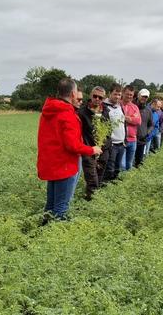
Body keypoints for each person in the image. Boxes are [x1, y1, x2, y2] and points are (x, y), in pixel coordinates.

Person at [37, 78, 102, 221]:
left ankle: (42, 233)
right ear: (73, 93)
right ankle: (54, 239)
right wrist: (92, 150)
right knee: (61, 207)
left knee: (50, 205)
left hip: (51, 164)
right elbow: (72, 145)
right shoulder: (67, 114)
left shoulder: (48, 111)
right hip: (65, 166)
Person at [77, 86, 108, 201]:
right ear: (90, 96)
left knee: (99, 177)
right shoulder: (82, 112)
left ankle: (93, 200)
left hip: (102, 150)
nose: (97, 99)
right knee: (92, 181)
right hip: (88, 150)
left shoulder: (105, 111)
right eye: (95, 96)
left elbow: (108, 131)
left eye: (100, 97)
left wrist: (105, 148)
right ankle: (90, 204)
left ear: (103, 99)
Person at [102, 84, 126, 182]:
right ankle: (105, 189)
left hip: (121, 143)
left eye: (119, 95)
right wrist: (108, 143)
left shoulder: (120, 107)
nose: (117, 97)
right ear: (109, 94)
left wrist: (125, 140)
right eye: (115, 94)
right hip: (111, 144)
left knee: (117, 169)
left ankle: (114, 188)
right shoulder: (104, 107)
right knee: (109, 169)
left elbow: (123, 124)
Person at [120, 85, 141, 171]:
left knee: (129, 164)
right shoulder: (118, 105)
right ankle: (121, 182)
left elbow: (139, 121)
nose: (129, 96)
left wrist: (128, 118)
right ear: (123, 93)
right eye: (127, 94)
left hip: (133, 140)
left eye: (131, 95)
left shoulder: (135, 107)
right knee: (122, 165)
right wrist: (133, 118)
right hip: (122, 140)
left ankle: (127, 181)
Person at [134, 89, 154, 167]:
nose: (144, 98)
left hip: (142, 140)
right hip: (131, 139)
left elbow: (151, 125)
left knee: (139, 162)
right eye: (143, 96)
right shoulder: (132, 107)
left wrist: (147, 132)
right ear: (139, 96)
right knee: (129, 163)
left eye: (146, 97)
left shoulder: (148, 110)